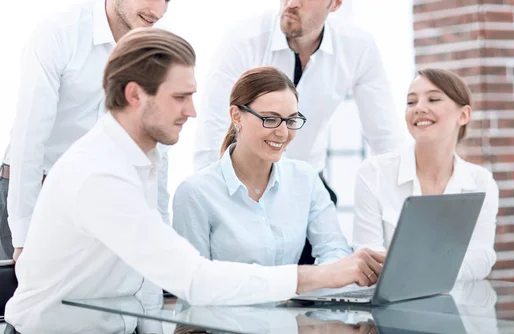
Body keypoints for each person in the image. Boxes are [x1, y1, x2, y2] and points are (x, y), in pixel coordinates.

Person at [4, 28, 386, 333]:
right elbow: (193, 279)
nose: (193, 111)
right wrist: (320, 275)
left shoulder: (142, 161)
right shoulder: (100, 174)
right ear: (135, 95)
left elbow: (147, 282)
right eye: (180, 97)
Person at [194, 0, 404, 264]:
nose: (291, 3)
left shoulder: (357, 47)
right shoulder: (243, 38)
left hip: (307, 184)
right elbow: (213, 129)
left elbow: (386, 140)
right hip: (241, 184)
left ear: (335, 4)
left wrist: (403, 228)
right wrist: (214, 205)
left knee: (323, 276)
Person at [0, 0, 171, 262]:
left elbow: (155, 152)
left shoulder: (153, 53)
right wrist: (24, 236)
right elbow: (29, 138)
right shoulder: (58, 32)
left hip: (96, 201)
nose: (157, 11)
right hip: (32, 193)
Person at [173, 66, 352, 266]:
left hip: (295, 297)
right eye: (271, 119)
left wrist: (321, 278)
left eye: (291, 120)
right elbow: (194, 282)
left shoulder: (305, 179)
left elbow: (335, 250)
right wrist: (297, 280)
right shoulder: (196, 193)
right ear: (236, 116)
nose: (283, 133)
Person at [352, 68, 499, 281]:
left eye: (433, 99)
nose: (419, 108)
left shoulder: (481, 182)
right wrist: (436, 269)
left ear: (464, 115)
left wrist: (425, 273)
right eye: (411, 102)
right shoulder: (374, 173)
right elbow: (368, 258)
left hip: (457, 305)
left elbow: (482, 257)